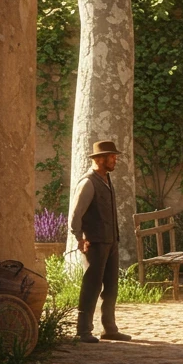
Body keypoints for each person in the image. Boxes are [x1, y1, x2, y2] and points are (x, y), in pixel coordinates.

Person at [69, 140, 133, 344]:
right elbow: (75, 215)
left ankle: (110, 328)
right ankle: (83, 330)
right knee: (92, 286)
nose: (115, 159)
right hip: (95, 242)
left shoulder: (106, 180)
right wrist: (80, 237)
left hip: (110, 241)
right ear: (99, 159)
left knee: (111, 287)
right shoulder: (88, 182)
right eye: (111, 156)